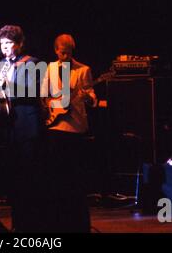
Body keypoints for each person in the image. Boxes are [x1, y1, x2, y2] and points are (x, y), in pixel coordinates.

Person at [0, 25, 46, 232]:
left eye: (8, 44)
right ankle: (19, 224)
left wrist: (7, 84)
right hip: (9, 128)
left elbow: (31, 93)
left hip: (26, 126)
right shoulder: (0, 65)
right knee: (15, 179)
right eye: (2, 44)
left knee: (29, 177)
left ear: (19, 44)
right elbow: (0, 95)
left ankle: (32, 225)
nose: (4, 47)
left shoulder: (32, 63)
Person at [41, 33, 97, 232]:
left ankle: (77, 220)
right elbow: (44, 95)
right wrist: (51, 107)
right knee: (56, 175)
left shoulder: (83, 70)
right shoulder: (50, 68)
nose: (65, 56)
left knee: (75, 176)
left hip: (75, 128)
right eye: (62, 52)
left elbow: (92, 96)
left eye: (69, 53)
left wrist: (87, 98)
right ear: (56, 50)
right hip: (55, 127)